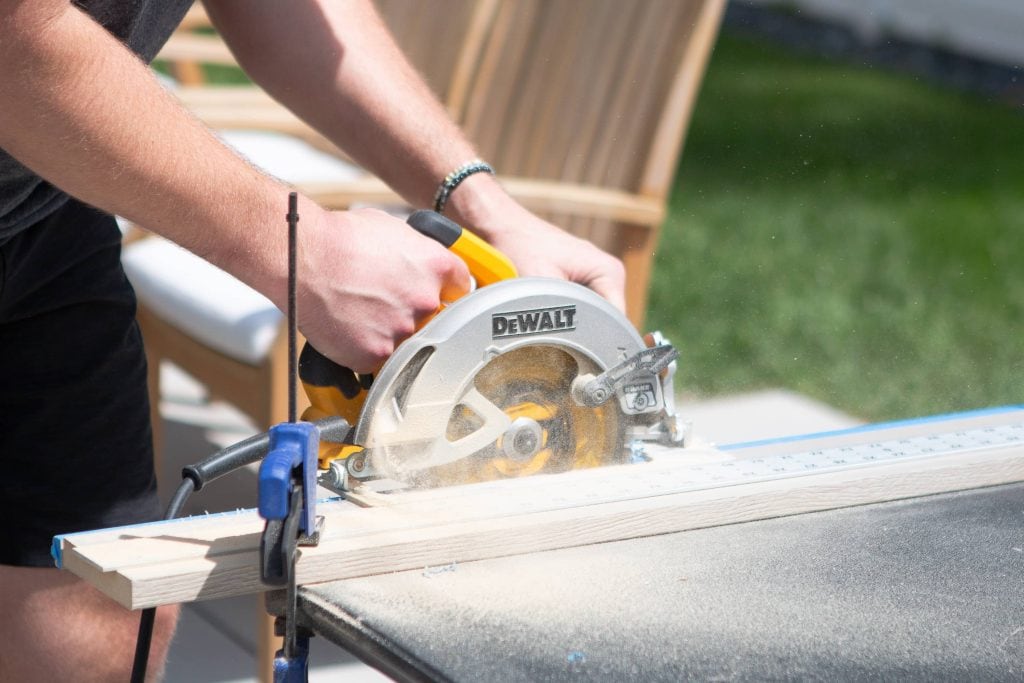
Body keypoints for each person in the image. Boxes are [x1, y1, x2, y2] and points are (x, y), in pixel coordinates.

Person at [0, 0, 625, 680]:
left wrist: (486, 212)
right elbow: (13, 35)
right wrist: (305, 246)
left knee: (101, 614)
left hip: (38, 212)